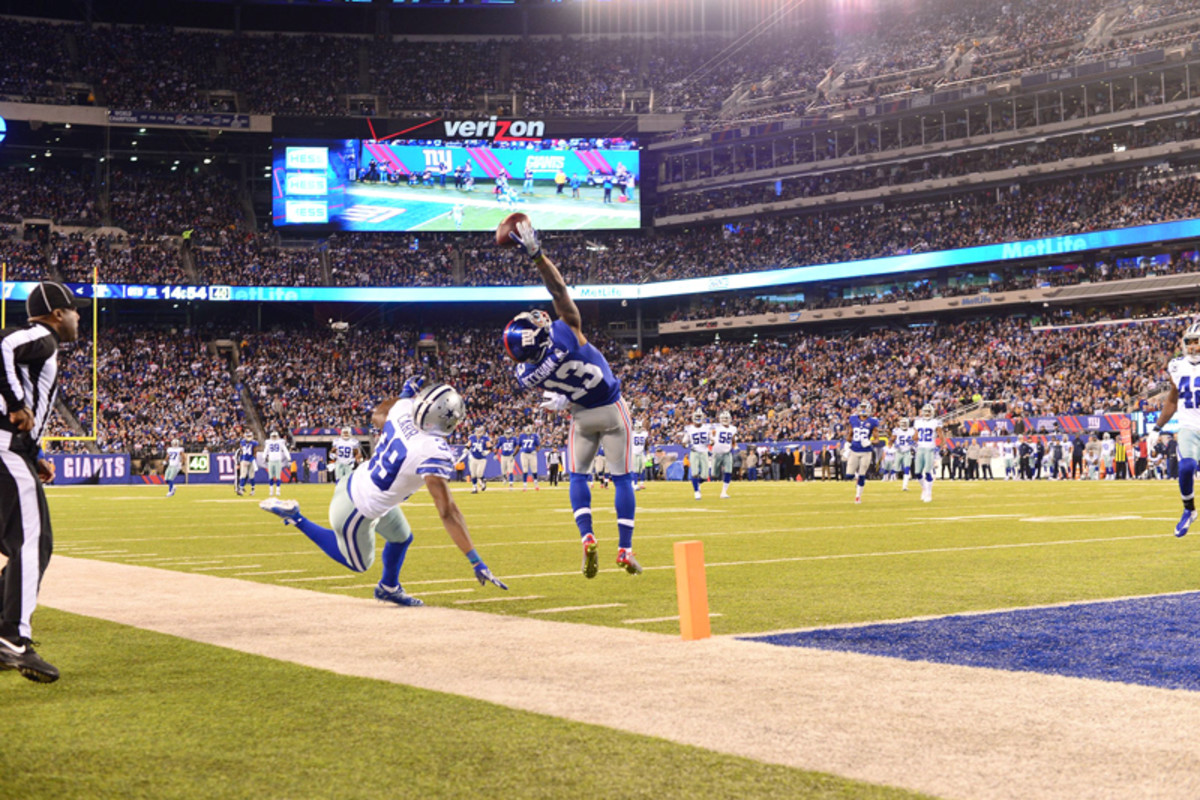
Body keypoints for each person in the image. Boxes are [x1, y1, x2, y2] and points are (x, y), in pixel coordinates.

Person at [260, 378, 508, 605]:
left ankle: (388, 587)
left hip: (358, 482)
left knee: (401, 537)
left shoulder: (402, 411)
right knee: (358, 564)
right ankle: (296, 517)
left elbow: (379, 415)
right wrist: (475, 559)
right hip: (357, 508)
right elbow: (447, 511)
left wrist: (402, 396)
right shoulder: (432, 451)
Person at [503, 218, 640, 577]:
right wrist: (536, 255)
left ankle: (587, 536)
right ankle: (624, 549)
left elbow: (557, 380)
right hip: (610, 409)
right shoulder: (566, 333)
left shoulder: (526, 373)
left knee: (577, 477)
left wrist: (564, 398)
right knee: (623, 478)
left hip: (580, 417)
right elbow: (559, 288)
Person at [0, 280, 91, 682]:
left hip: (14, 449)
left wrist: (35, 455)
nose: (78, 318)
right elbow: (0, 345)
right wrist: (16, 404)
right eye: (74, 310)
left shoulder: (43, 345)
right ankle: (13, 637)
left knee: (31, 541)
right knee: (32, 540)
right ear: (57, 313)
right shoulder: (44, 337)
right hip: (5, 446)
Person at [1152, 322, 1200, 537]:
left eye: (1196, 342)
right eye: (1189, 342)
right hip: (1190, 426)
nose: (1192, 347)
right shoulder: (1177, 366)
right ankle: (1189, 509)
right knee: (1186, 468)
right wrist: (1157, 428)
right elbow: (1172, 399)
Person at [846, 400, 878, 504]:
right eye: (862, 407)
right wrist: (847, 444)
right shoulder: (853, 419)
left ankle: (858, 497)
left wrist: (870, 442)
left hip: (866, 451)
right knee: (848, 476)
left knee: (862, 474)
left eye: (865, 408)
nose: (863, 410)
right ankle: (856, 477)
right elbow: (850, 435)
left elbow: (877, 439)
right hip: (854, 450)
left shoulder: (873, 422)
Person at [913, 403, 941, 503]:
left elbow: (940, 435)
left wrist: (941, 446)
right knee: (917, 472)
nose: (927, 413)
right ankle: (924, 489)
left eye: (929, 412)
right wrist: (913, 440)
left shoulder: (935, 422)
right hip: (920, 448)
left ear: (932, 412)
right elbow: (915, 436)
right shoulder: (917, 422)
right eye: (926, 411)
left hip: (930, 448)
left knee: (928, 471)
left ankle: (929, 494)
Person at [682, 409, 711, 500]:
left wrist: (712, 442)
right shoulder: (689, 429)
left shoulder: (707, 428)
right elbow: (684, 442)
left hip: (704, 451)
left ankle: (697, 483)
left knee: (705, 476)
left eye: (699, 417)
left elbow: (712, 439)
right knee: (694, 473)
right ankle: (696, 491)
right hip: (694, 452)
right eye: (697, 417)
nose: (698, 419)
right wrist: (685, 444)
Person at [709, 410, 737, 498]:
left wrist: (734, 445)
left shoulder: (733, 428)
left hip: (727, 452)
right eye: (723, 418)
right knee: (714, 474)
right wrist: (711, 440)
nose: (725, 420)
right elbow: (710, 435)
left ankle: (723, 492)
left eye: (726, 418)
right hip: (716, 453)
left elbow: (732, 438)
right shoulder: (716, 427)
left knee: (728, 471)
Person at [263, 431, 291, 497]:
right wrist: (264, 457)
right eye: (273, 436)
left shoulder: (280, 442)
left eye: (275, 436)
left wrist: (288, 456)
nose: (274, 438)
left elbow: (285, 450)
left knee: (278, 476)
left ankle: (278, 490)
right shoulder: (269, 442)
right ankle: (271, 490)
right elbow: (266, 450)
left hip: (277, 460)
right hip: (271, 460)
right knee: (271, 476)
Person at [893, 417, 915, 490]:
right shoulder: (896, 430)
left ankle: (904, 486)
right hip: (899, 451)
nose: (904, 425)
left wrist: (913, 443)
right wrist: (895, 444)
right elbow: (892, 439)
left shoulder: (912, 431)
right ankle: (890, 478)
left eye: (905, 423)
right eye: (903, 423)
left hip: (907, 451)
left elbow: (915, 440)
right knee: (896, 468)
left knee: (907, 468)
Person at [467, 427, 490, 493]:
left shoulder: (485, 438)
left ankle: (483, 481)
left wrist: (487, 451)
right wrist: (466, 449)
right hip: (473, 457)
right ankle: (475, 488)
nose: (479, 433)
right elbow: (469, 445)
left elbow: (490, 447)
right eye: (478, 431)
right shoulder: (472, 437)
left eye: (480, 431)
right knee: (473, 474)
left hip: (482, 459)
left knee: (479, 474)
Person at [518, 426, 540, 491]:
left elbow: (538, 446)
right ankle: (525, 486)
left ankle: (536, 485)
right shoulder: (522, 436)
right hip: (524, 454)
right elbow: (518, 445)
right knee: (525, 470)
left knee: (534, 470)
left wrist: (535, 451)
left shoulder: (534, 436)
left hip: (532, 454)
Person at [236, 431, 258, 496]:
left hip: (251, 460)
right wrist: (241, 461)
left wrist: (250, 461)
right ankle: (241, 490)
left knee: (251, 476)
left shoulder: (254, 443)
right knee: (243, 475)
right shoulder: (242, 442)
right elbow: (241, 452)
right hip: (244, 460)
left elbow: (255, 454)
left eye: (249, 436)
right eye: (247, 436)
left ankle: (253, 490)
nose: (249, 438)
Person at [630, 419, 648, 490]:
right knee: (635, 470)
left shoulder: (633, 434)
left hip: (640, 453)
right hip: (635, 453)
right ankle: (634, 484)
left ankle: (640, 483)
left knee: (642, 469)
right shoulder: (644, 433)